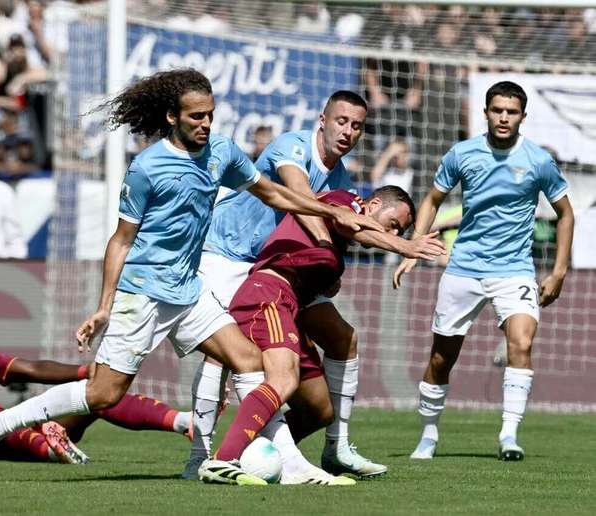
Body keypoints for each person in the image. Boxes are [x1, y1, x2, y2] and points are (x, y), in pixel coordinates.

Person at [0, 68, 383, 485]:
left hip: (189, 290)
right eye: (196, 116)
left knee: (247, 359)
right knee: (104, 393)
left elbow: (272, 192)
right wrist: (105, 306)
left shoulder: (222, 152)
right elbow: (122, 240)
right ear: (172, 117)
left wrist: (328, 210)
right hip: (144, 293)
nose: (205, 124)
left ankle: (277, 462)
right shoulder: (148, 167)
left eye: (210, 115)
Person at [186, 90, 390, 480]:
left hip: (275, 267)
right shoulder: (292, 147)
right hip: (226, 253)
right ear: (323, 119)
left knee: (343, 337)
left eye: (356, 126)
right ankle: (200, 457)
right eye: (341, 121)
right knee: (222, 355)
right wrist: (331, 256)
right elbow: (301, 199)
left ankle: (337, 446)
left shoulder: (342, 177)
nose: (347, 131)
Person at [394, 81, 574, 461]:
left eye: (511, 112)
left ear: (523, 116)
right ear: (486, 112)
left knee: (521, 344)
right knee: (442, 358)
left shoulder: (539, 160)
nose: (503, 117)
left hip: (515, 270)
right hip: (464, 268)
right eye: (497, 110)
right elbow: (432, 200)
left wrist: (558, 271)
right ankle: (428, 435)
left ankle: (509, 436)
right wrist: (412, 245)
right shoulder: (463, 153)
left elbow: (566, 214)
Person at [227, 186, 443, 483]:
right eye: (393, 224)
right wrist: (404, 247)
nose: (394, 233)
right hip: (268, 292)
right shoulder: (345, 201)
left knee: (320, 408)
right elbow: (351, 224)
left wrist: (329, 277)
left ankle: (276, 451)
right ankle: (224, 457)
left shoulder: (334, 249)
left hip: (291, 304)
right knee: (282, 379)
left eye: (400, 232)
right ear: (374, 203)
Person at [0, 287, 192, 462]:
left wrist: (86, 371)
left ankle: (184, 422)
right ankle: (57, 451)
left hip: (6, 417)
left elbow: (32, 368)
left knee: (97, 394)